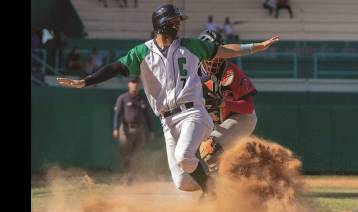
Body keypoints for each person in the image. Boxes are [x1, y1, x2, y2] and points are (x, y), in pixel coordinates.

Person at [57, 4, 279, 195]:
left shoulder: (190, 46)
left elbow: (224, 50)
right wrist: (85, 81)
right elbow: (114, 67)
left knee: (185, 155)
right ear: (162, 24)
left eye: (178, 21)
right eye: (174, 21)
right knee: (182, 182)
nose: (178, 25)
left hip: (193, 112)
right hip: (166, 121)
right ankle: (221, 188)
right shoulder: (141, 53)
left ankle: (211, 191)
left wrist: (256, 47)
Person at [197, 30, 258, 175]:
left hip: (241, 117)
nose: (215, 57)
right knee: (226, 160)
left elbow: (249, 107)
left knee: (210, 148)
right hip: (216, 121)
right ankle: (247, 181)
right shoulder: (191, 72)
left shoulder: (230, 72)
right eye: (211, 52)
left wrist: (224, 103)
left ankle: (217, 191)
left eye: (218, 52)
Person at [113, 79, 154, 183]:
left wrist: (151, 130)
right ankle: (127, 175)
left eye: (136, 83)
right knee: (126, 154)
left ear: (139, 85)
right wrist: (115, 128)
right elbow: (117, 114)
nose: (135, 85)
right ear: (129, 84)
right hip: (126, 129)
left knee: (137, 155)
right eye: (133, 83)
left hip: (140, 129)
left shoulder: (142, 98)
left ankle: (134, 177)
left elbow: (147, 116)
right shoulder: (123, 98)